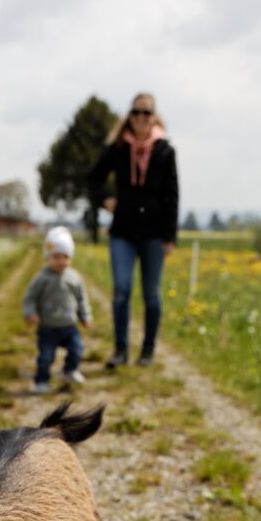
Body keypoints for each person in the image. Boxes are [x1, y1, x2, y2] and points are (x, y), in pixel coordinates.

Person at [89, 91, 179, 368]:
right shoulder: (117, 148)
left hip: (153, 233)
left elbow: (172, 195)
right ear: (129, 116)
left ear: (154, 117)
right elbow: (93, 179)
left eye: (146, 113)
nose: (141, 118)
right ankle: (120, 349)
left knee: (151, 295)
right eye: (137, 112)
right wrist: (104, 200)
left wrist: (169, 236)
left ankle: (148, 350)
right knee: (122, 290)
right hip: (123, 232)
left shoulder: (165, 150)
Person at [23, 226, 92, 394]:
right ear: (47, 257)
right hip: (47, 328)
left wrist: (85, 316)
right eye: (56, 257)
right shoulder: (42, 278)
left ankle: (69, 371)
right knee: (46, 357)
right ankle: (41, 380)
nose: (61, 261)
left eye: (65, 257)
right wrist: (30, 313)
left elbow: (82, 299)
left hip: (69, 326)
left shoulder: (73, 278)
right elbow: (30, 297)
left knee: (77, 349)